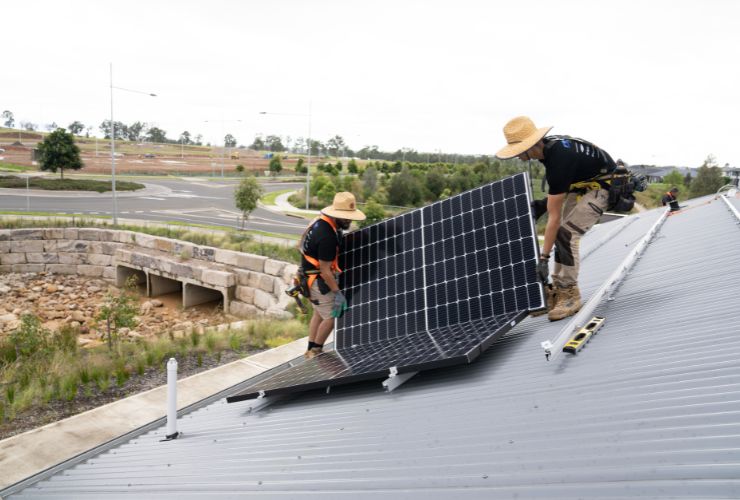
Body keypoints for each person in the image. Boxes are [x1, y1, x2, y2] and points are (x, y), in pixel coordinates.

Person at [496, 116, 617, 321]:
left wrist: (543, 258)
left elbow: (553, 217)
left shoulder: (559, 158)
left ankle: (570, 294)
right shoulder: (549, 149)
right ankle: (557, 292)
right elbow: (559, 193)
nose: (517, 157)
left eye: (518, 151)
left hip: (603, 188)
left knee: (566, 235)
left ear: (531, 146)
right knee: (562, 235)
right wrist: (544, 204)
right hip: (581, 185)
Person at [299, 192, 365, 358]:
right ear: (336, 215)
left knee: (318, 313)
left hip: (307, 276)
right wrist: (337, 293)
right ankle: (315, 350)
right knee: (332, 317)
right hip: (318, 281)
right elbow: (325, 270)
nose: (349, 221)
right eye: (346, 218)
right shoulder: (327, 236)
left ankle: (309, 348)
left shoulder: (320, 222)